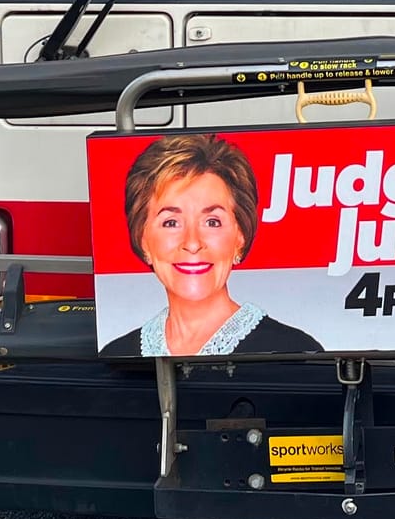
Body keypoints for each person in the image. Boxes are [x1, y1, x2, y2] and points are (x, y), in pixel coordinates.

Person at [99, 134, 322, 358]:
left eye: (212, 222)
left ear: (240, 237)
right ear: (143, 239)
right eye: (171, 222)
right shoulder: (117, 355)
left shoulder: (295, 351)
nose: (193, 243)